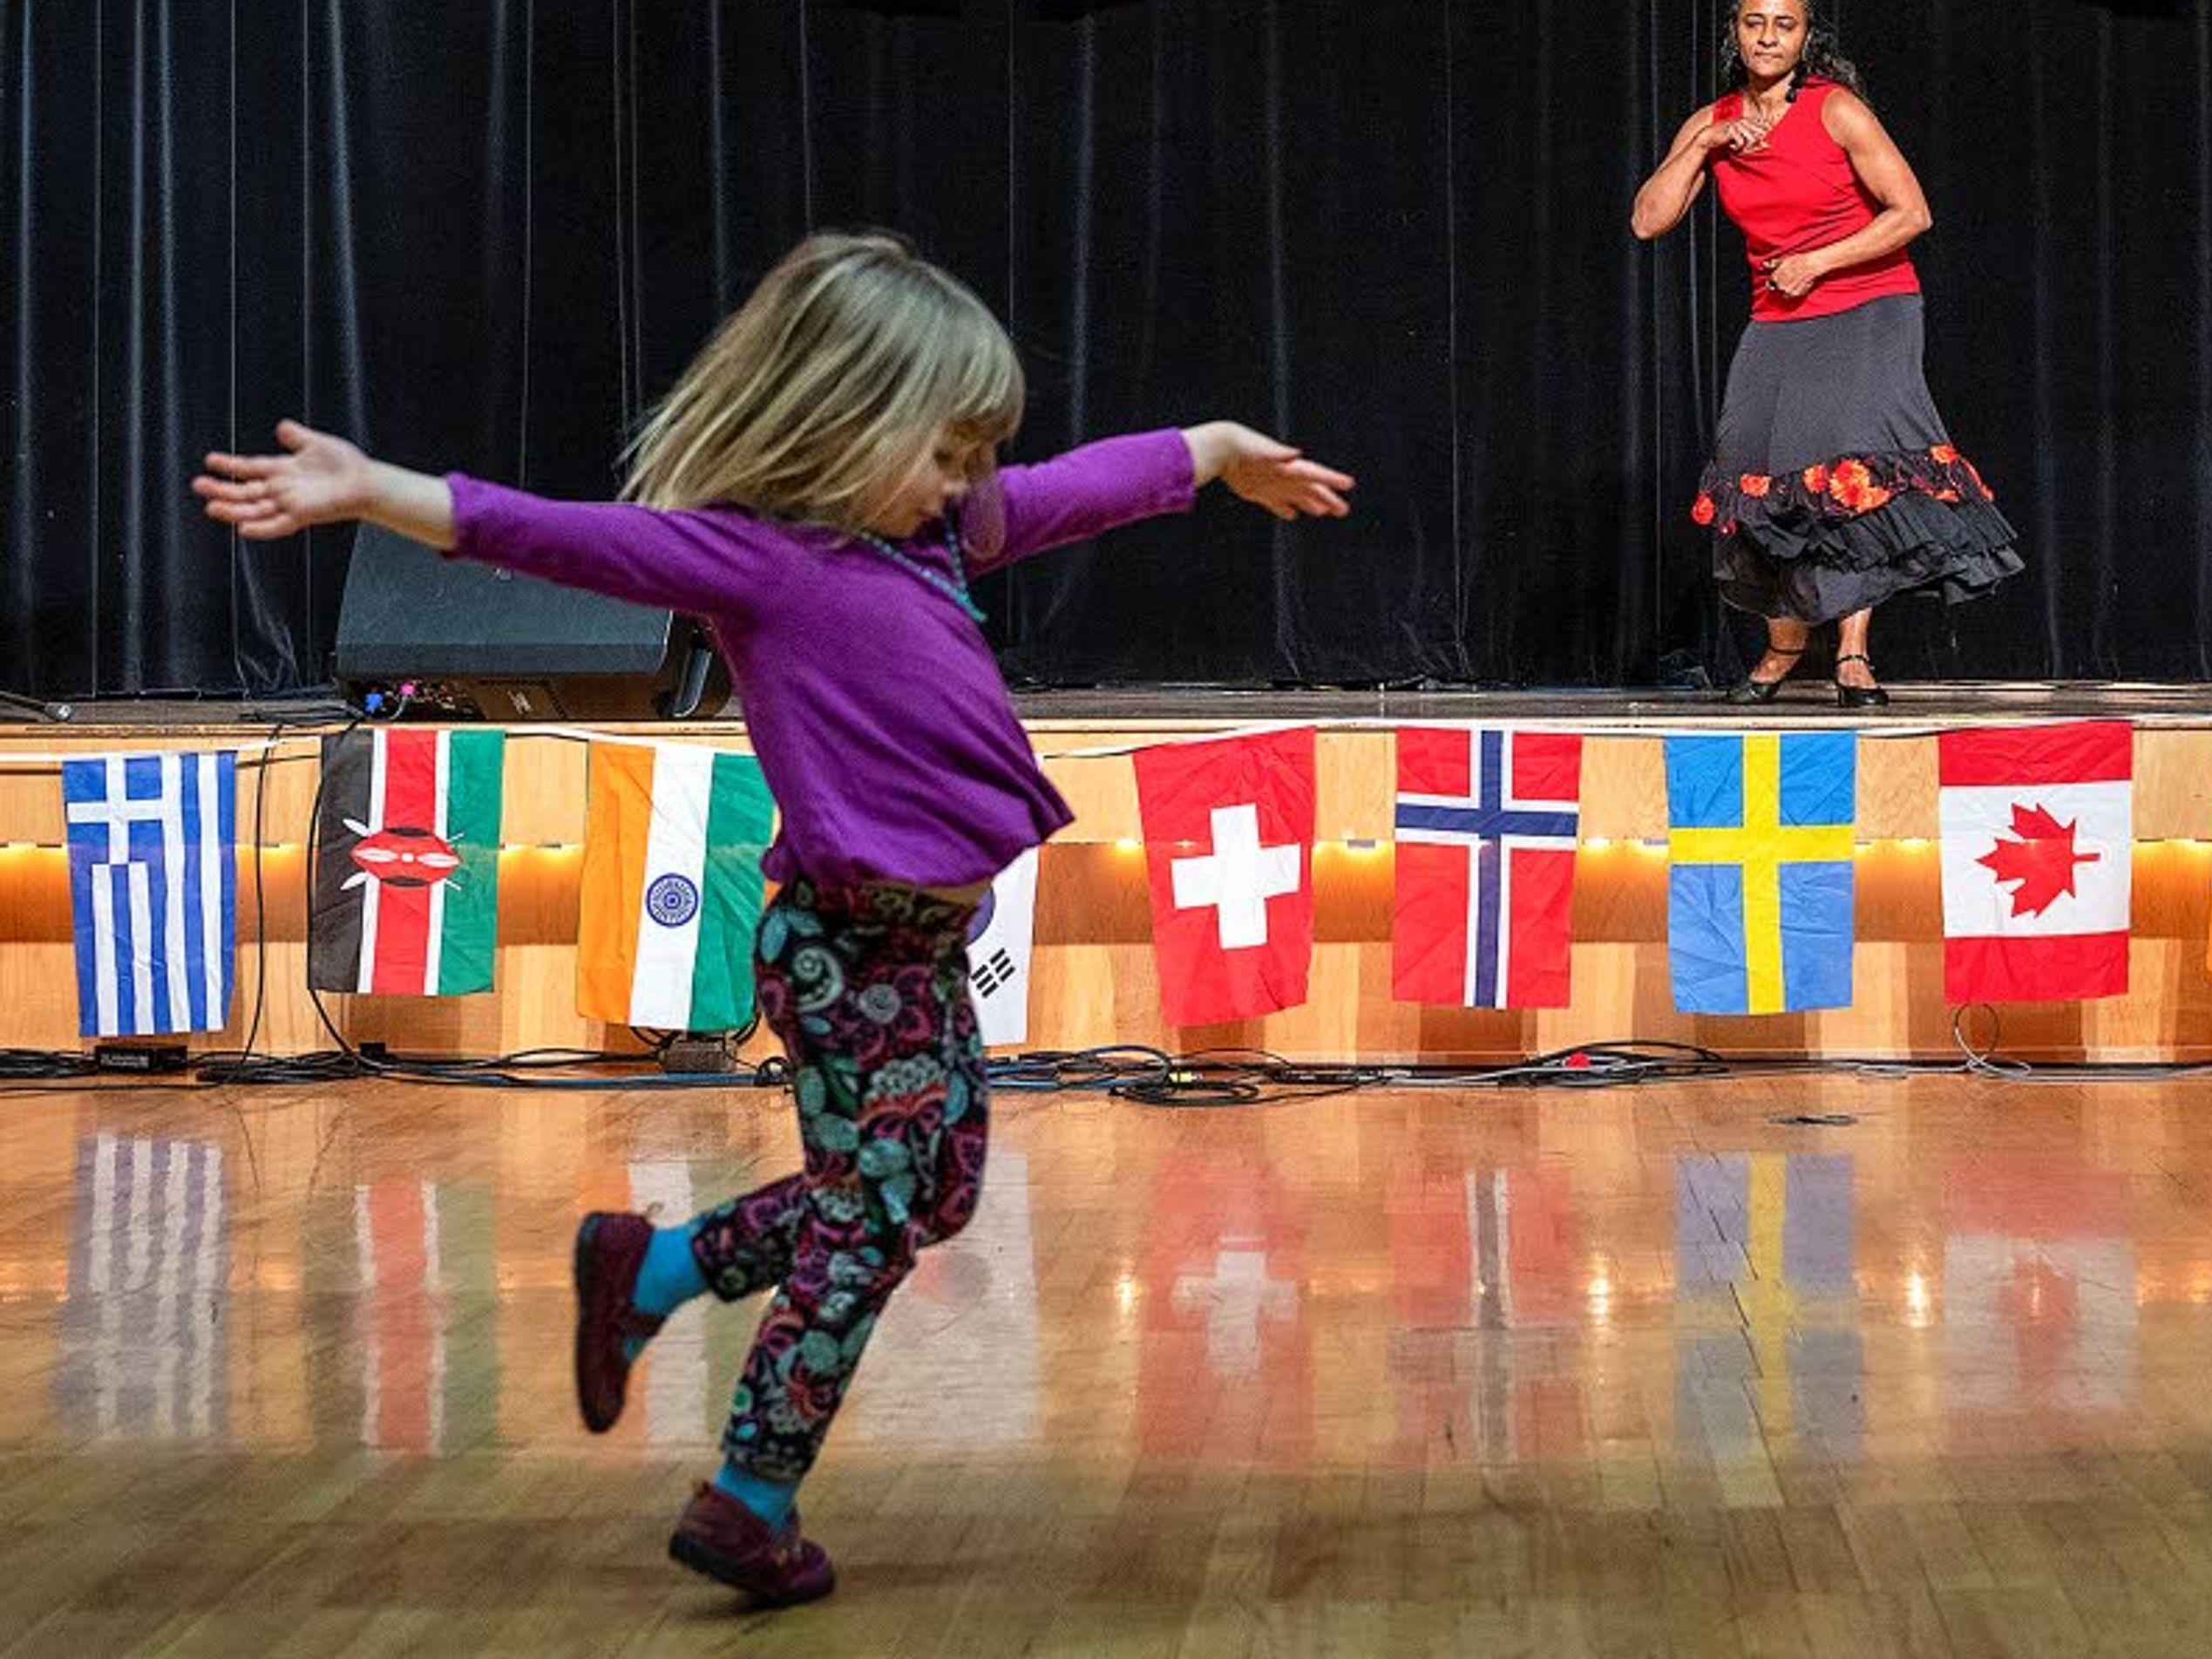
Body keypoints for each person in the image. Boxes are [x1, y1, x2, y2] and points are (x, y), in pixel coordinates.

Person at [193, 229, 1351, 1608]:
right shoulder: (760, 564)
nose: (970, 478)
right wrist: (376, 490)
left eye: (976, 452)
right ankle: (748, 1495)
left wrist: (1212, 447)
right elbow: (566, 537)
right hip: (842, 951)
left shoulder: (937, 535)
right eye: (943, 447)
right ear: (843, 425)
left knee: (935, 1192)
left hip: (915, 952)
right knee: (868, 1224)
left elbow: (1071, 491)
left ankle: (657, 1266)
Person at [1629, 0, 2020, 704]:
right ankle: (1784, 646)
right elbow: (1648, 220)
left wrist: (1819, 261)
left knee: (1851, 472)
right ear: (1735, 34)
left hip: (1870, 306)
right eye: (1755, 23)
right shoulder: (1714, 122)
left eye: (1785, 24)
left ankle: (1852, 653)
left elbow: (1912, 213)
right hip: (1778, 318)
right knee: (1756, 469)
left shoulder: (1836, 110)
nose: (1769, 36)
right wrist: (1703, 144)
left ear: (1806, 39)